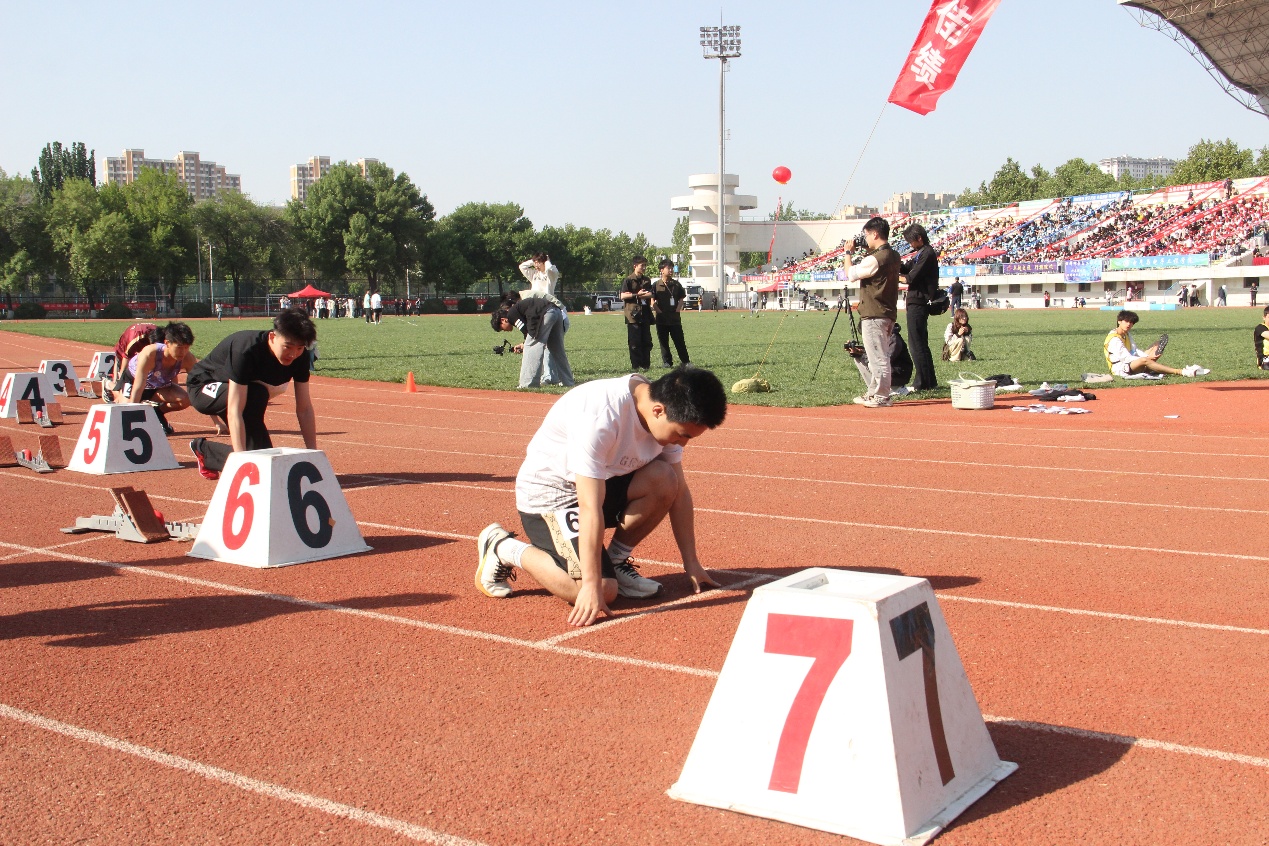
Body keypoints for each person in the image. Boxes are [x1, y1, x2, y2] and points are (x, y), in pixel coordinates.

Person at [474, 366, 728, 627]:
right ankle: (503, 547)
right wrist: (591, 584)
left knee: (665, 479)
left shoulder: (666, 411)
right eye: (682, 435)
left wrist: (691, 562)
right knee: (604, 590)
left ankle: (615, 563)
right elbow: (589, 506)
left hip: (602, 484)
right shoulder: (601, 417)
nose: (682, 443)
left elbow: (680, 491)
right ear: (658, 410)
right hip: (552, 495)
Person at [187, 309, 319, 481]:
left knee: (266, 465)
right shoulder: (246, 350)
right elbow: (235, 410)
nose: (293, 354)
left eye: (299, 348)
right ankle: (237, 460)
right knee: (255, 396)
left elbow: (304, 409)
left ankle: (206, 451)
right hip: (204, 387)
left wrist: (313, 454)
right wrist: (242, 462)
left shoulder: (300, 358)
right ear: (272, 337)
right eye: (287, 347)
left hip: (248, 395)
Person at [845, 217, 900, 407]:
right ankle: (873, 393)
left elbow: (851, 274)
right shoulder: (893, 255)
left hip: (874, 313)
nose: (865, 238)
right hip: (886, 312)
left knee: (878, 358)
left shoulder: (875, 259)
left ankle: (882, 396)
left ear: (875, 234)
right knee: (879, 355)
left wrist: (847, 253)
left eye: (867, 235)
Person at [115, 322, 202, 436]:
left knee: (186, 399)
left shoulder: (188, 358)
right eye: (179, 347)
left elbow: (199, 388)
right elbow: (139, 385)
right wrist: (132, 416)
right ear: (167, 343)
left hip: (157, 385)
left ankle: (157, 412)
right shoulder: (150, 353)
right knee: (124, 409)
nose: (183, 352)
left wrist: (216, 422)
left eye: (186, 347)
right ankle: (109, 386)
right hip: (134, 381)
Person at [491, 292, 574, 389]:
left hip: (546, 313)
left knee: (530, 347)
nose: (504, 331)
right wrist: (523, 343)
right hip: (556, 311)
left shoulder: (511, 314)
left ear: (503, 320)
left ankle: (528, 384)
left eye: (501, 328)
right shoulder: (518, 309)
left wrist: (525, 345)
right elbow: (530, 331)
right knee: (557, 350)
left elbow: (526, 331)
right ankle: (568, 381)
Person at [1103, 310, 1210, 379]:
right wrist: (1146, 359)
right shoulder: (1114, 339)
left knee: (1156, 345)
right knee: (1144, 360)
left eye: (1131, 323)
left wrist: (1147, 356)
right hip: (1120, 368)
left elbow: (1135, 350)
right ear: (1119, 321)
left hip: (1131, 363)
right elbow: (1126, 358)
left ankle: (1149, 364)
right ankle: (1181, 372)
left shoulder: (1126, 334)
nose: (1129, 324)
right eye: (1126, 321)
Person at [898, 222, 939, 392]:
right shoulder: (920, 253)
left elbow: (910, 278)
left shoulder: (927, 253)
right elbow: (905, 268)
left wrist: (895, 277)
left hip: (919, 302)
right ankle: (929, 380)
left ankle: (922, 382)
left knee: (916, 344)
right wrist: (894, 261)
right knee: (920, 342)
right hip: (916, 302)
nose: (911, 245)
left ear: (919, 238)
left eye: (911, 241)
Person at [518, 253, 569, 384]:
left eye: (538, 262)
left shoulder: (550, 274)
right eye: (534, 262)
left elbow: (551, 270)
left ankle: (550, 376)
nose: (536, 265)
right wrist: (533, 261)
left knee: (552, 347)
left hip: (550, 309)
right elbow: (522, 267)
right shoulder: (534, 275)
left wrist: (546, 261)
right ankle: (551, 376)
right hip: (539, 311)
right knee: (545, 345)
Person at [103, 321, 158, 403]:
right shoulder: (134, 338)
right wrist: (120, 381)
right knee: (121, 393)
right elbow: (125, 358)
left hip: (143, 347)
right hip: (125, 351)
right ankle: (108, 383)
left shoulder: (160, 337)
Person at [652, 259, 690, 368]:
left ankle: (685, 361)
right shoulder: (656, 285)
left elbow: (681, 298)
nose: (671, 270)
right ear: (661, 270)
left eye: (672, 268)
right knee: (663, 342)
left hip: (674, 319)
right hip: (661, 319)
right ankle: (667, 362)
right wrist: (658, 311)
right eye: (668, 268)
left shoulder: (676, 284)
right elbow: (652, 300)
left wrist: (678, 309)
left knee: (679, 341)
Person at [621, 256, 654, 370]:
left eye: (645, 265)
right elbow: (623, 295)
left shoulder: (647, 280)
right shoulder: (628, 280)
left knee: (646, 341)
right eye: (642, 265)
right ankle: (636, 365)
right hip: (633, 315)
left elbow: (651, 294)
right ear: (635, 266)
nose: (644, 267)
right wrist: (637, 295)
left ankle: (646, 365)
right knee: (634, 342)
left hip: (645, 313)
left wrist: (643, 295)